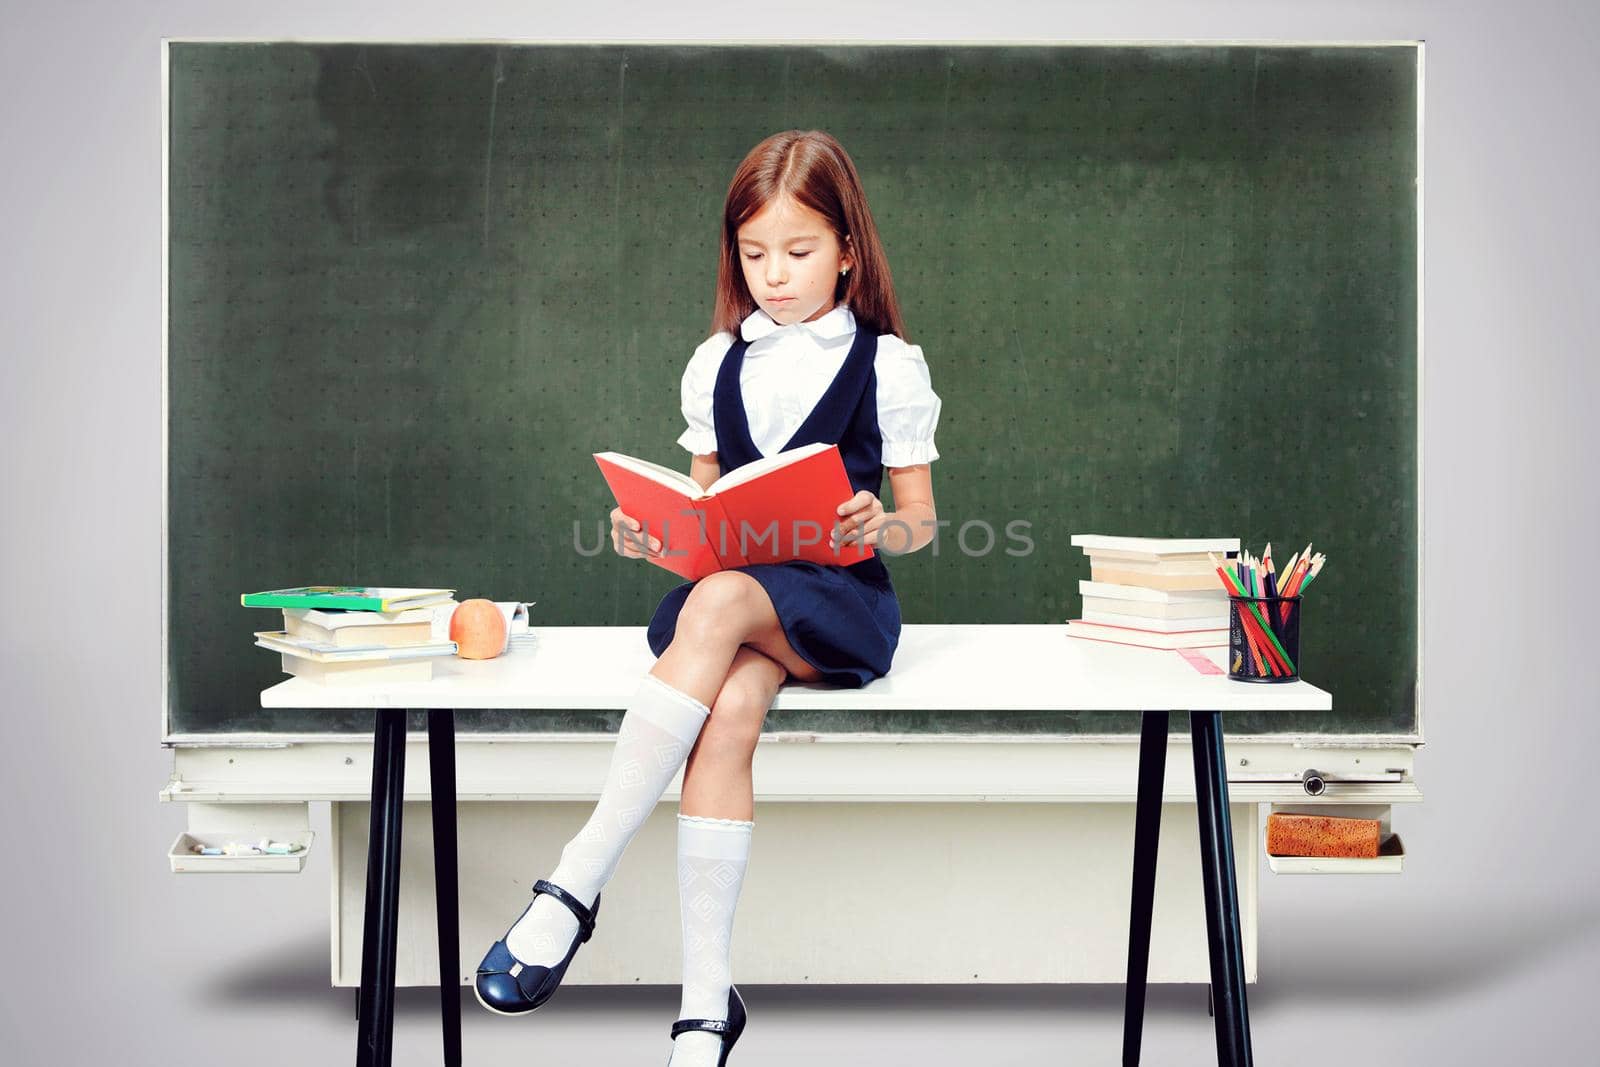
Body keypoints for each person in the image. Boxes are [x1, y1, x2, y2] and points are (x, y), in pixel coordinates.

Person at [475, 129, 943, 1066]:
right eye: (754, 252)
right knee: (727, 705)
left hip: (838, 601)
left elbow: (920, 521)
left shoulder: (887, 364)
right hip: (729, 607)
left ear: (849, 248)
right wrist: (654, 536)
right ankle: (703, 1006)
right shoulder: (716, 362)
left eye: (800, 251)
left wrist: (872, 523)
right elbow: (704, 512)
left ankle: (574, 882)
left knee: (725, 599)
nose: (774, 275)